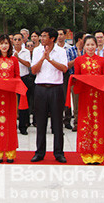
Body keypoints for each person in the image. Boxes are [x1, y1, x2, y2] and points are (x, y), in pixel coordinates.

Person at [70, 35, 104, 164]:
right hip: (84, 95)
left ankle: (98, 152)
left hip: (98, 96)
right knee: (85, 121)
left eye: (92, 45)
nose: (90, 47)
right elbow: (77, 78)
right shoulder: (79, 61)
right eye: (87, 45)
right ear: (84, 46)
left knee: (98, 122)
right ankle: (86, 151)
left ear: (96, 46)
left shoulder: (102, 61)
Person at [30, 27, 68, 163]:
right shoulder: (36, 50)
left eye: (45, 36)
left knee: (57, 122)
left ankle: (59, 153)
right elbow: (33, 70)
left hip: (56, 88)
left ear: (52, 38)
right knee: (40, 122)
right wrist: (42, 59)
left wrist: (50, 60)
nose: (42, 38)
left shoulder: (61, 51)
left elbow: (64, 68)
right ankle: (39, 152)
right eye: (41, 36)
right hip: (40, 88)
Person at [0, 35, 22, 162]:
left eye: (6, 43)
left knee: (10, 123)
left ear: (10, 45)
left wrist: (11, 84)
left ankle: (11, 153)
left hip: (10, 95)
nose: (4, 46)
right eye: (1, 43)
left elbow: (17, 77)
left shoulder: (14, 60)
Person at [12, 33, 32, 134]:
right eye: (15, 39)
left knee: (23, 103)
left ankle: (23, 126)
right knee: (12, 103)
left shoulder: (26, 51)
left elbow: (28, 64)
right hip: (13, 80)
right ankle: (12, 125)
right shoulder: (9, 51)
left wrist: (18, 58)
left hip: (24, 79)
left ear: (22, 40)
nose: (17, 41)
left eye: (19, 39)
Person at [66, 31, 85, 131]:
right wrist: (78, 59)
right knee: (76, 102)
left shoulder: (87, 50)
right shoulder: (70, 50)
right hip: (75, 79)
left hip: (86, 79)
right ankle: (77, 123)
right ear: (79, 40)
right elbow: (67, 65)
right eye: (84, 38)